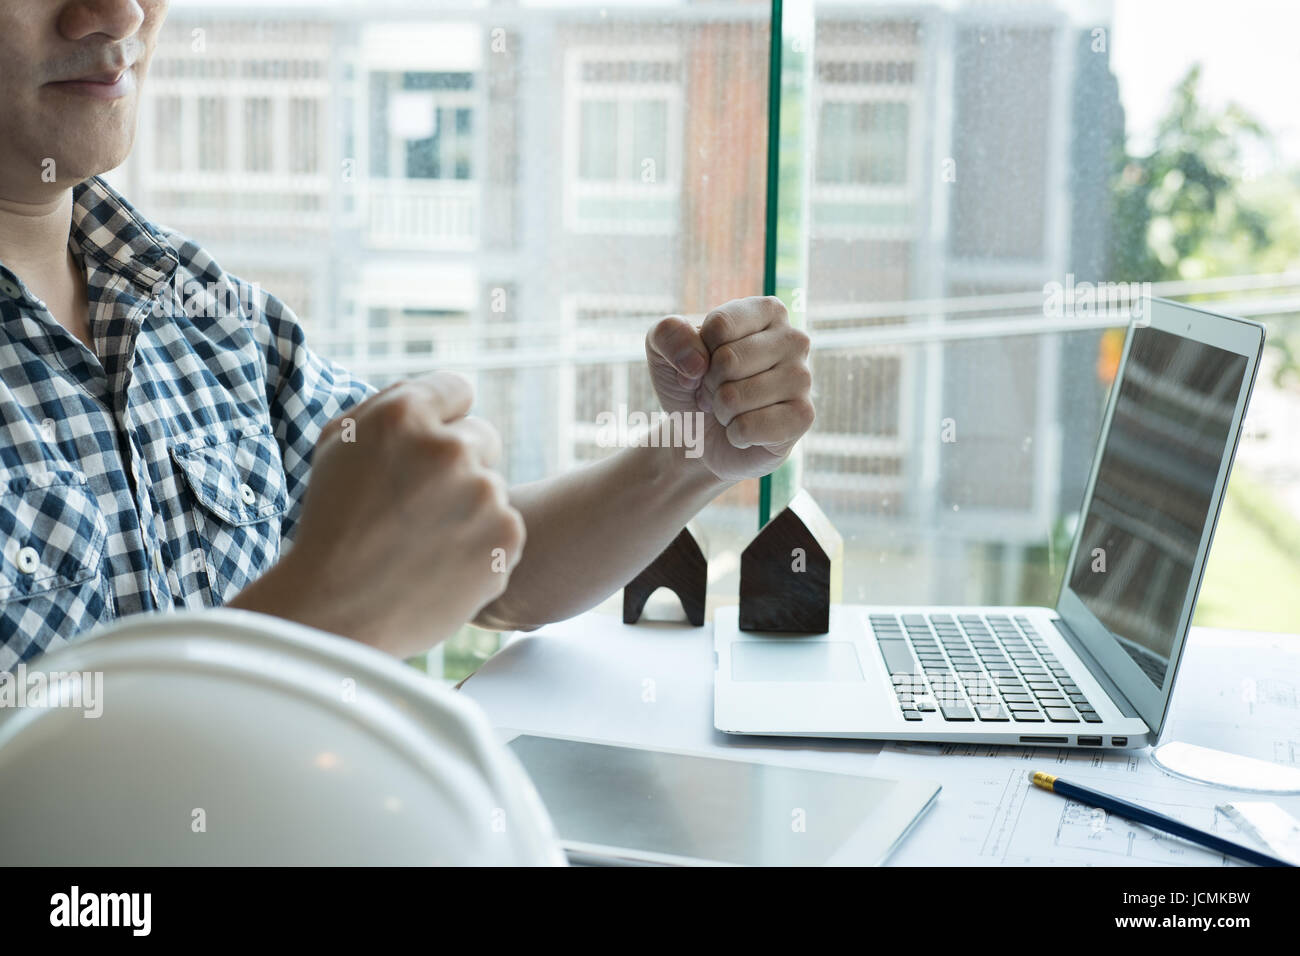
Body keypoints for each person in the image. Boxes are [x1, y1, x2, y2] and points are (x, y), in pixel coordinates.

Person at [0, 0, 814, 670]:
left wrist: (690, 454)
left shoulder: (202, 312)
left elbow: (497, 574)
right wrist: (326, 620)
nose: (119, 14)